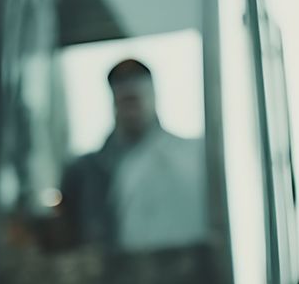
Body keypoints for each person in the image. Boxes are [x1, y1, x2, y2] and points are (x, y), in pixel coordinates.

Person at [60, 59, 209, 252]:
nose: (129, 89)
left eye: (137, 89)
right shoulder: (84, 172)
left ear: (153, 94)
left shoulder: (194, 157)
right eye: (122, 92)